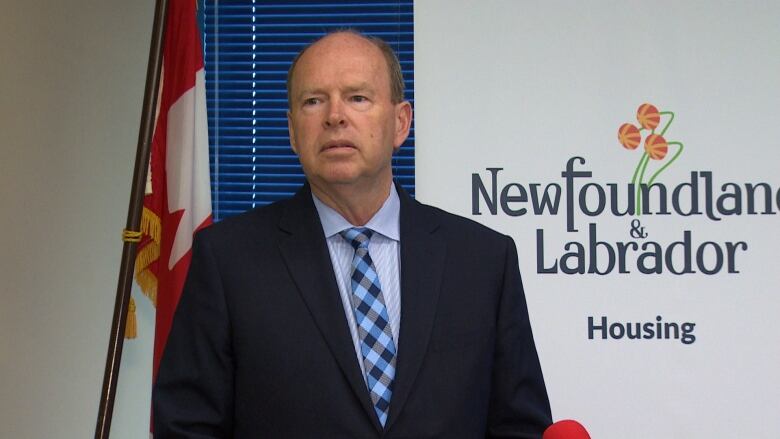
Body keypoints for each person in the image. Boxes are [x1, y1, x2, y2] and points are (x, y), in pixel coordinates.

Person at [153, 30, 552, 438]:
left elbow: (519, 427)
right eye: (313, 101)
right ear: (292, 132)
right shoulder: (228, 260)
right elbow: (187, 429)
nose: (335, 116)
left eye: (358, 97)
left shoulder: (483, 260)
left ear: (400, 123)